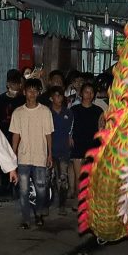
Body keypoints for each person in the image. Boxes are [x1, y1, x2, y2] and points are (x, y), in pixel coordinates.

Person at [11, 78, 54, 229]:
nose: (32, 93)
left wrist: (50, 154)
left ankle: (39, 213)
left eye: (35, 90)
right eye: (30, 90)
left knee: (41, 189)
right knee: (23, 190)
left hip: (40, 155)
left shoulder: (45, 111)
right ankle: (25, 218)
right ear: (24, 92)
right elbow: (15, 135)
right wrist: (13, 154)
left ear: (39, 92)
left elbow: (49, 134)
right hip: (23, 156)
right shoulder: (18, 112)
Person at [70, 82, 105, 209]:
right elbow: (69, 127)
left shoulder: (98, 110)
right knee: (78, 176)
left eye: (91, 92)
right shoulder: (74, 110)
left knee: (90, 176)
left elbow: (102, 128)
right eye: (86, 92)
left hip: (93, 145)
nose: (89, 95)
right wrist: (69, 137)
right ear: (81, 94)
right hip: (78, 144)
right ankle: (77, 199)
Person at [48, 86, 74, 215]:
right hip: (49, 151)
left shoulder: (68, 113)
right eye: (56, 96)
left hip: (63, 150)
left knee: (63, 178)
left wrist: (70, 136)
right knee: (49, 178)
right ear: (51, 97)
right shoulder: (46, 113)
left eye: (61, 96)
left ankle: (62, 205)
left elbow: (71, 129)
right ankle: (49, 203)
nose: (59, 98)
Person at [0, 69, 25, 142]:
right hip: (4, 135)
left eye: (17, 84)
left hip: (20, 135)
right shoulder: (2, 98)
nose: (15, 87)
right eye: (13, 84)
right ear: (8, 84)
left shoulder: (23, 99)